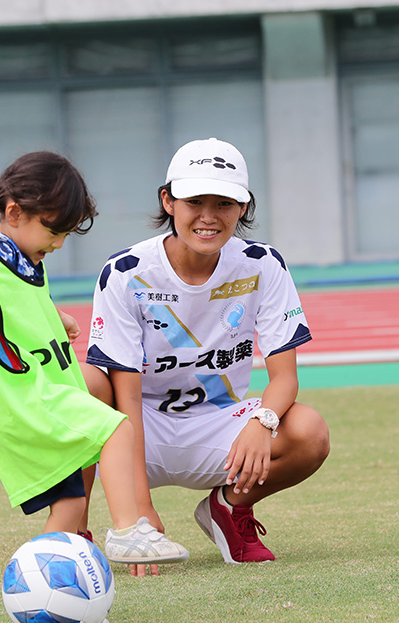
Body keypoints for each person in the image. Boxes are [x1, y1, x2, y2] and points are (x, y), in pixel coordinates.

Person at [82, 138, 331, 574]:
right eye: (194, 201)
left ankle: (228, 509)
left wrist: (262, 422)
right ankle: (74, 537)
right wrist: (141, 513)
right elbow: (126, 402)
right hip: (139, 430)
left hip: (223, 428)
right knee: (85, 385)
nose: (208, 217)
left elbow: (285, 379)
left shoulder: (263, 265)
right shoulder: (125, 271)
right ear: (169, 201)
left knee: (309, 430)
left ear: (243, 207)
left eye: (224, 203)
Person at [0, 152, 189, 567]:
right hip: (32, 398)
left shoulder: (27, 259)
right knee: (117, 429)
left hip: (48, 395)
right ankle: (127, 529)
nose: (59, 243)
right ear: (14, 212)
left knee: (68, 509)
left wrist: (56, 317)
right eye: (54, 230)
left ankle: (40, 580)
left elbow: (23, 301)